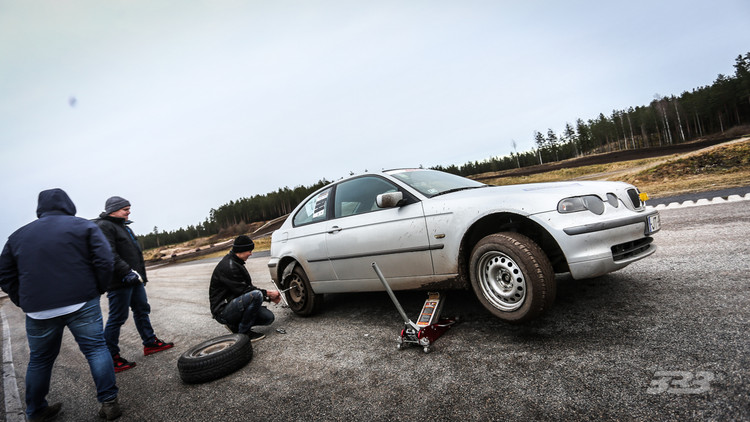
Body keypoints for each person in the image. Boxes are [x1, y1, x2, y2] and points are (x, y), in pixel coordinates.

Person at [0, 188, 122, 421]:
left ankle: (35, 411)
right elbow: (104, 259)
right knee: (96, 349)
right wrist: (99, 288)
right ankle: (109, 403)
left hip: (38, 310)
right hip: (81, 300)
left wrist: (23, 300)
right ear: (68, 204)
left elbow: (5, 274)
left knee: (40, 359)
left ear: (40, 208)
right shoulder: (83, 226)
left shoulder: (17, 237)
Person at [95, 196, 173, 373]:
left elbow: (133, 254)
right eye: (125, 209)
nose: (129, 211)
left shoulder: (123, 226)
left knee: (142, 309)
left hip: (134, 279)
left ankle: (150, 343)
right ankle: (111, 358)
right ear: (113, 210)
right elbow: (108, 254)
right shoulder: (104, 226)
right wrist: (126, 272)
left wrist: (140, 276)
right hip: (120, 281)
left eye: (129, 208)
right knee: (118, 317)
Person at [209, 235, 281, 341]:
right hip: (222, 311)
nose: (251, 253)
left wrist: (268, 297)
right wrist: (268, 294)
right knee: (256, 295)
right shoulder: (229, 266)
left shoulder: (235, 262)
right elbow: (246, 291)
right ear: (241, 250)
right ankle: (244, 333)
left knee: (268, 318)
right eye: (249, 250)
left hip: (232, 303)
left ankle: (235, 325)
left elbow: (245, 289)